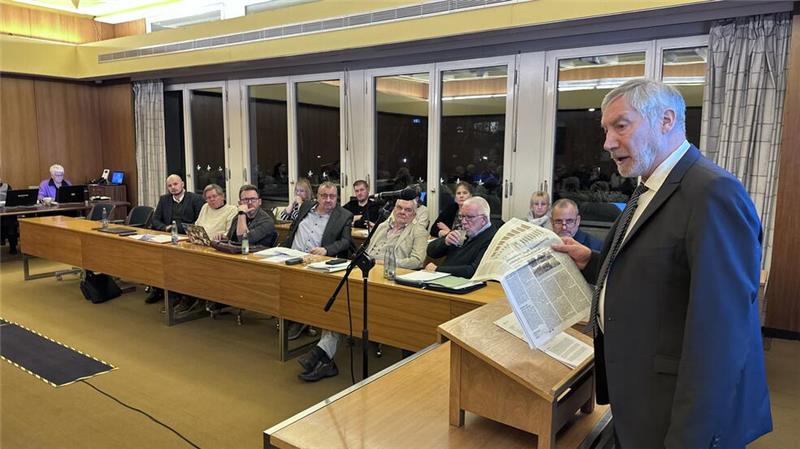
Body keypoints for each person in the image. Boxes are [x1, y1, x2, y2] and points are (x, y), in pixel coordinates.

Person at [552, 79, 771, 448]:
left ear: (666, 120)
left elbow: (722, 336)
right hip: (639, 396)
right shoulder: (648, 188)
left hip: (674, 411)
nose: (607, 143)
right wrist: (591, 261)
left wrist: (690, 438)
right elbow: (657, 270)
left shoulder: (712, 192)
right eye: (605, 130)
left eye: (621, 126)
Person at [296, 197, 427, 382]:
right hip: (366, 274)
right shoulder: (381, 226)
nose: (402, 212)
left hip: (390, 281)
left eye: (408, 210)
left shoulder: (418, 231)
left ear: (414, 214)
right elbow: (366, 250)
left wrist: (383, 262)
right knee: (340, 301)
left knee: (348, 305)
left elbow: (417, 261)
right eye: (399, 208)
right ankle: (324, 354)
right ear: (393, 209)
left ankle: (321, 354)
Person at [281, 181, 353, 341]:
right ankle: (289, 317)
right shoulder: (306, 206)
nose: (328, 200)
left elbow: (346, 241)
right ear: (317, 197)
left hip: (315, 262)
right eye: (324, 196)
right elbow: (290, 224)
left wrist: (326, 250)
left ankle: (300, 320)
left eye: (332, 196)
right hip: (291, 256)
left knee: (305, 288)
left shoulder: (344, 215)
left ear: (337, 197)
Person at [145, 174, 205, 305]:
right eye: (170, 186)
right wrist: (165, 227)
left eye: (176, 184)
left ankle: (181, 294)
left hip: (186, 238)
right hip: (166, 236)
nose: (173, 187)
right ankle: (158, 289)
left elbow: (199, 222)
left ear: (182, 184)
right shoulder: (164, 199)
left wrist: (177, 228)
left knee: (178, 263)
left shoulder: (195, 199)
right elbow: (155, 220)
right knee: (154, 258)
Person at [425, 196, 496, 278]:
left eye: (469, 217)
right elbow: (431, 252)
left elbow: (473, 270)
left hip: (464, 282)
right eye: (462, 216)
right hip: (443, 278)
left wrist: (437, 269)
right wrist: (445, 242)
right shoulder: (462, 230)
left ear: (483, 220)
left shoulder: (492, 238)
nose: (463, 222)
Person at [1, 179, 18, 254]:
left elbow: (12, 199)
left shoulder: (7, 186)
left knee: (11, 220)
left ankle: (13, 247)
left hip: (6, 211)